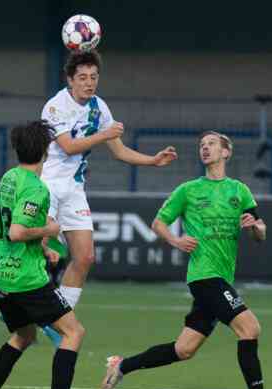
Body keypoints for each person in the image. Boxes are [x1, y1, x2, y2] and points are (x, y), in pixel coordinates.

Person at [99, 131, 272, 389]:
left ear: (226, 152)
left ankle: (122, 366)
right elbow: (158, 223)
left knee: (184, 349)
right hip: (204, 276)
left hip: (222, 277)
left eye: (212, 144)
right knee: (249, 328)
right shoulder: (188, 190)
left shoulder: (239, 191)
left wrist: (255, 227)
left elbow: (260, 232)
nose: (205, 148)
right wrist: (176, 242)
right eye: (202, 145)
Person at [40, 49, 177, 323]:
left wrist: (153, 160)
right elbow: (67, 147)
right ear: (70, 80)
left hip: (75, 190)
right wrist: (103, 134)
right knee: (38, 250)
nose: (89, 82)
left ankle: (55, 319)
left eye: (93, 77)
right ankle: (17, 304)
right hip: (47, 185)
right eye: (82, 77)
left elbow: (119, 150)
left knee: (85, 257)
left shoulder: (99, 107)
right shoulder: (56, 105)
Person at [0, 120, 89, 389]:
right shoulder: (36, 187)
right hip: (25, 278)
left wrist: (43, 246)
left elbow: (9, 227)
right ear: (46, 151)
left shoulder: (9, 177)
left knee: (23, 335)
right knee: (73, 333)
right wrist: (49, 229)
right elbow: (18, 231)